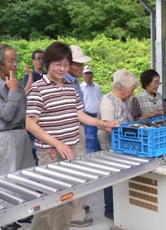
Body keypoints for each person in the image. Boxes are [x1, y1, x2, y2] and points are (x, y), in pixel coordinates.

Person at [26, 41, 119, 230]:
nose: (62, 69)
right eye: (57, 64)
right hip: (51, 152)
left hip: (73, 148)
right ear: (48, 63)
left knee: (70, 197)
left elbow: (80, 115)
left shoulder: (70, 87)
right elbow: (29, 123)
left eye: (66, 64)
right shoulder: (38, 88)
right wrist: (57, 143)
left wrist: (104, 123)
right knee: (49, 200)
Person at [0, 44, 35, 230]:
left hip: (21, 131)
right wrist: (13, 90)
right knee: (7, 175)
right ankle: (5, 219)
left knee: (24, 173)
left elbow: (23, 110)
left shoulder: (16, 81)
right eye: (10, 60)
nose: (15, 64)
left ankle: (21, 212)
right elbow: (5, 115)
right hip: (5, 135)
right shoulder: (12, 85)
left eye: (16, 60)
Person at [97, 69, 139, 220]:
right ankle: (110, 209)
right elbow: (108, 128)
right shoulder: (107, 101)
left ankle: (120, 207)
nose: (132, 93)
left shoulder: (123, 100)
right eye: (132, 90)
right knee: (111, 177)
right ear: (123, 88)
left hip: (122, 146)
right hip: (111, 145)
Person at [64, 45, 94, 227]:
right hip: (71, 132)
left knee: (79, 170)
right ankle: (76, 214)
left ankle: (77, 207)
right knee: (75, 173)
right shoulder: (65, 82)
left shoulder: (73, 81)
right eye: (78, 65)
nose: (82, 69)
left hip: (79, 128)